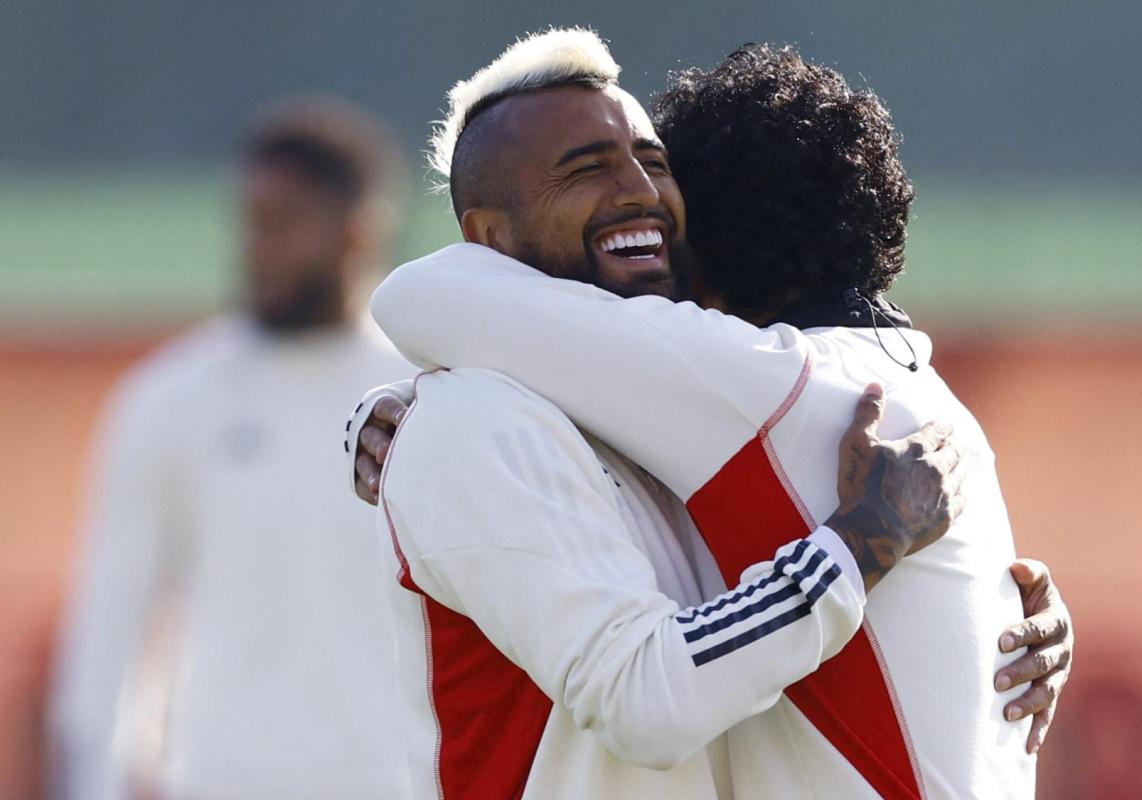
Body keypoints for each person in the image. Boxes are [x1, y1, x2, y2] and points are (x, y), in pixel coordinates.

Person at [350, 30, 1070, 799]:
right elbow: (648, 696)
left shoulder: (739, 391)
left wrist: (863, 549)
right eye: (587, 169)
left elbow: (417, 297)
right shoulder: (912, 397)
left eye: (657, 165)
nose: (640, 193)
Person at [48, 99, 414, 800]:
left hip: (393, 783)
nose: (255, 248)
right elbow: (110, 621)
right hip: (223, 781)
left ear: (357, 230)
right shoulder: (169, 398)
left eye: (283, 223)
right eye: (250, 222)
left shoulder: (423, 394)